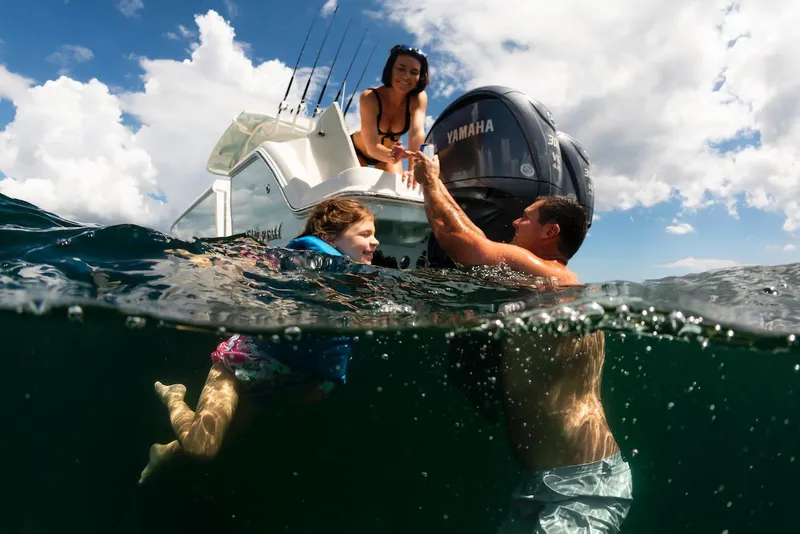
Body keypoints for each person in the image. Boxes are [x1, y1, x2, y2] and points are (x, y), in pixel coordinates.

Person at [410, 152, 633, 533]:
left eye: (526, 217)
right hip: (548, 480)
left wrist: (430, 181)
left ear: (550, 233)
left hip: (583, 485)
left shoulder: (550, 277)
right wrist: (436, 181)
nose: (515, 220)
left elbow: (460, 244)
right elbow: (477, 241)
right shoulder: (545, 280)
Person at [138, 198, 379, 484]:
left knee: (225, 437)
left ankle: (163, 452)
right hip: (238, 366)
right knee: (202, 449)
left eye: (374, 234)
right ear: (328, 238)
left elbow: (340, 348)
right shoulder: (303, 263)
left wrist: (325, 385)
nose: (375, 242)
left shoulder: (355, 284)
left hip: (276, 380)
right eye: (364, 234)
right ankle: (174, 396)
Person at [349, 44, 429, 175]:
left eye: (414, 72)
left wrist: (414, 169)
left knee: (398, 190)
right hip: (357, 151)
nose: (406, 76)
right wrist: (391, 155)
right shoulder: (369, 97)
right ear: (390, 69)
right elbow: (371, 148)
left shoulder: (419, 98)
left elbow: (416, 133)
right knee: (351, 189)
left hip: (389, 157)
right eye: (401, 69)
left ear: (420, 77)